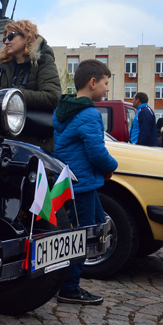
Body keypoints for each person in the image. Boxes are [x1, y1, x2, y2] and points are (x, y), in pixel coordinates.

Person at [52, 59, 118, 305]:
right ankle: (69, 288)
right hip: (82, 184)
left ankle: (66, 278)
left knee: (96, 227)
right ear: (92, 83)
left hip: (72, 182)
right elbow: (97, 152)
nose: (107, 89)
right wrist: (112, 167)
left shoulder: (64, 109)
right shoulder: (89, 113)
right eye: (105, 83)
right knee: (83, 237)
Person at [0, 19, 61, 150]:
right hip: (8, 143)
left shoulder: (43, 61)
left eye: (11, 36)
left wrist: (14, 95)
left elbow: (53, 97)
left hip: (35, 145)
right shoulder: (6, 66)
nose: (6, 41)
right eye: (4, 39)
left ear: (26, 36)